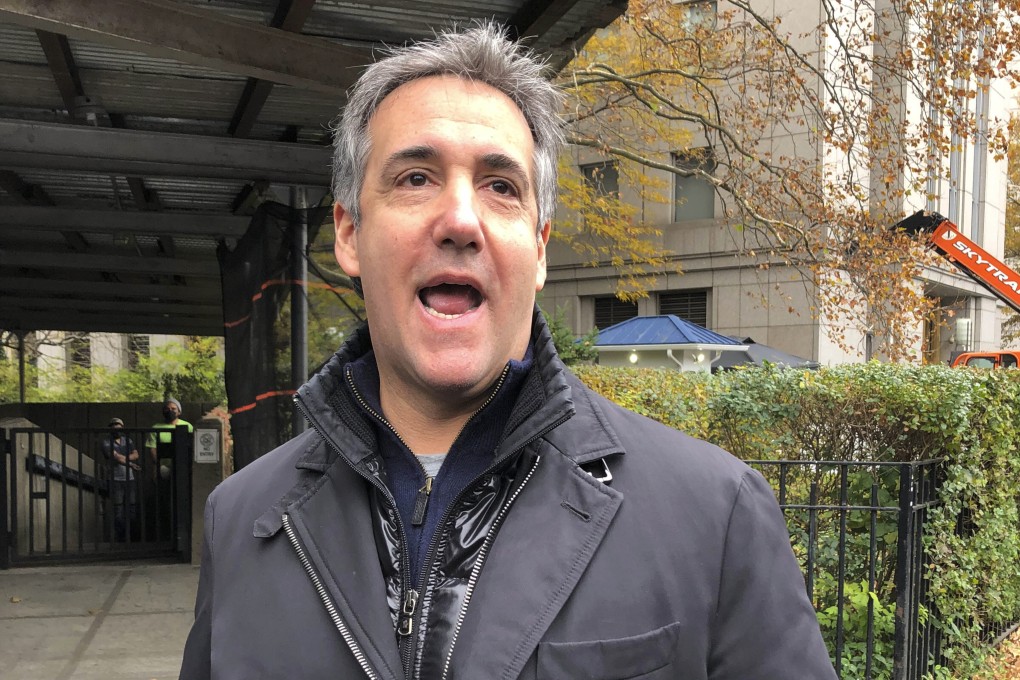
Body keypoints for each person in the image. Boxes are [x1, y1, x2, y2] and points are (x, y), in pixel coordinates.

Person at [180, 23, 837, 680]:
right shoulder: (241, 521)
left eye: (501, 186)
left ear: (540, 247)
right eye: (415, 177)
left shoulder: (715, 517)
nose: (462, 220)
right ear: (349, 233)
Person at [145, 397, 193, 539]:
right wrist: (158, 464)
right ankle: (167, 535)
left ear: (179, 411)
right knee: (165, 500)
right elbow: (152, 449)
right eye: (167, 408)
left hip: (183, 470)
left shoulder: (188, 427)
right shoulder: (156, 428)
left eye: (173, 409)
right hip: (164, 467)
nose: (170, 411)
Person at [100, 417, 139, 542]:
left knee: (132, 507)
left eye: (119, 426)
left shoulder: (127, 440)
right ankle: (120, 538)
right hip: (115, 479)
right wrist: (130, 463)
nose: (116, 428)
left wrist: (123, 458)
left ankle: (132, 537)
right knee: (118, 509)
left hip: (130, 478)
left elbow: (136, 454)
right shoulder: (106, 442)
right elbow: (114, 457)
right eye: (113, 425)